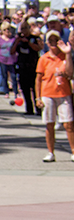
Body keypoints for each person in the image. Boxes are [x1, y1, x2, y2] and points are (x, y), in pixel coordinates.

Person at [35, 30, 74, 162]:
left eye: (55, 40)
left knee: (68, 124)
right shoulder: (44, 58)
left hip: (63, 93)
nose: (53, 43)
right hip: (48, 93)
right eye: (50, 40)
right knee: (49, 124)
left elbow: (70, 73)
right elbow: (38, 79)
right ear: (47, 42)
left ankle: (73, 151)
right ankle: (50, 152)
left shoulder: (64, 56)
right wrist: (38, 97)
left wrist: (67, 53)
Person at [12, 20, 43, 115]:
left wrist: (29, 42)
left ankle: (38, 109)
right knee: (25, 89)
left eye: (25, 28)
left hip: (33, 66)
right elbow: (12, 51)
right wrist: (17, 41)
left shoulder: (34, 38)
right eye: (22, 29)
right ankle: (29, 109)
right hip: (22, 67)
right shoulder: (18, 39)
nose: (23, 31)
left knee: (34, 88)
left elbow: (38, 48)